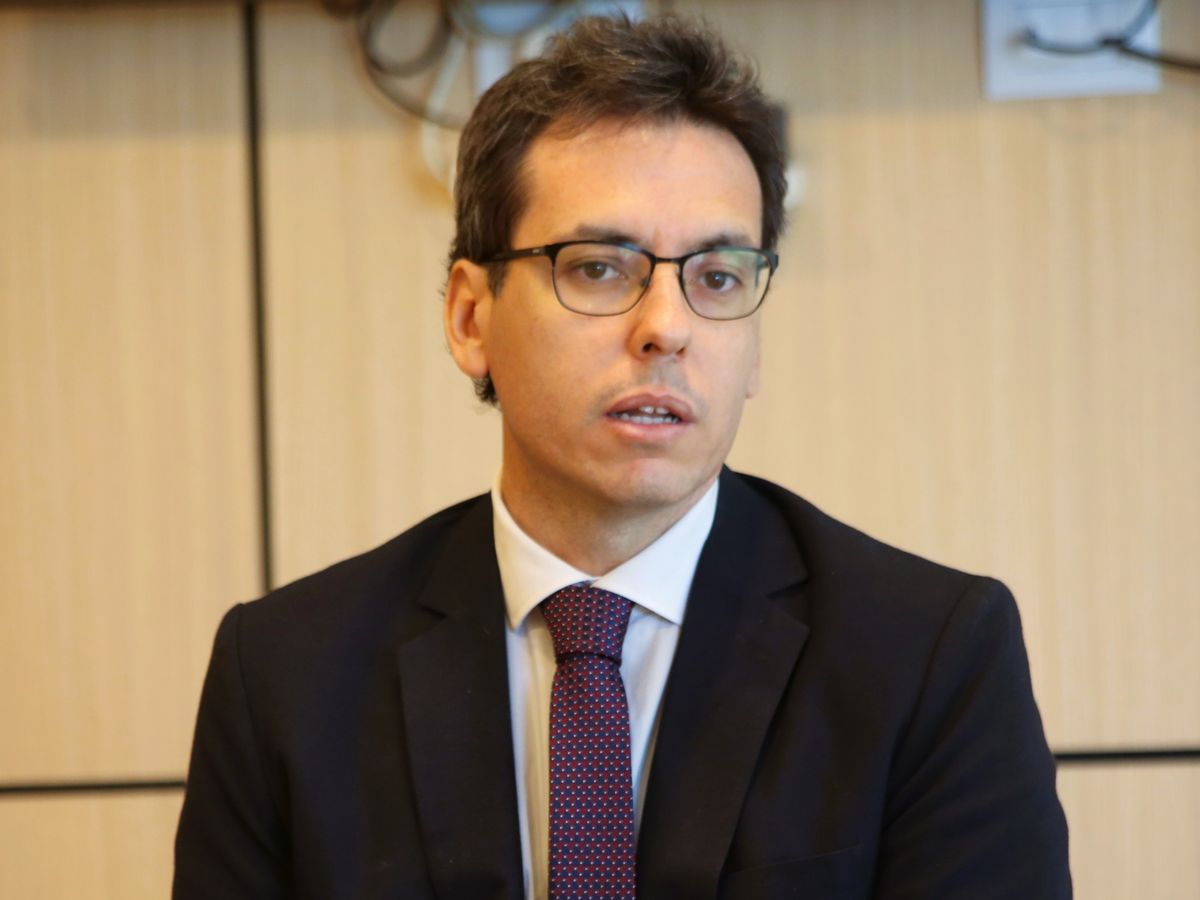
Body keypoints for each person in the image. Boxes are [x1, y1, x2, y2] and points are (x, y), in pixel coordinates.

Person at [174, 14, 1071, 900]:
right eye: (600, 267)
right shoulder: (288, 677)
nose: (667, 328)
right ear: (471, 317)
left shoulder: (927, 658)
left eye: (716, 277)